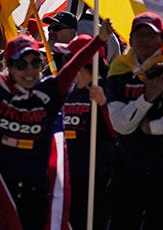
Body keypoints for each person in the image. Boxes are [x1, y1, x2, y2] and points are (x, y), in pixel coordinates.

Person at [0, 8, 110, 227]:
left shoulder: (49, 91)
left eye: (35, 63)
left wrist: (100, 41)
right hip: (0, 189)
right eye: (21, 64)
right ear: (9, 66)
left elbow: (73, 65)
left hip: (36, 191)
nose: (29, 71)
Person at [104, 12, 163, 228]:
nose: (145, 40)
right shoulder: (120, 70)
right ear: (130, 38)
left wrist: (153, 127)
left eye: (151, 35)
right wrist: (147, 98)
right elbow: (120, 124)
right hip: (129, 169)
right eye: (140, 35)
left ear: (162, 40)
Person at [59, 37, 114, 230]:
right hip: (69, 177)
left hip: (97, 179)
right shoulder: (70, 92)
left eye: (69, 58)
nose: (65, 63)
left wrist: (104, 104)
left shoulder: (106, 89)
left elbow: (120, 132)